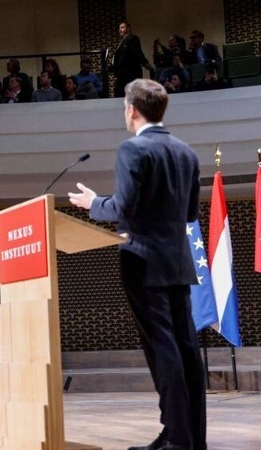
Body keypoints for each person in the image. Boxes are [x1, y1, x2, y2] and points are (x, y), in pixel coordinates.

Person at [67, 79, 205, 450]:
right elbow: (190, 212)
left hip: (143, 262)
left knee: (163, 349)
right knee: (185, 349)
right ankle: (188, 436)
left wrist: (93, 204)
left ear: (131, 109)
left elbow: (123, 209)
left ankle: (177, 439)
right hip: (178, 261)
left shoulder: (133, 150)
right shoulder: (187, 152)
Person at [110, 22, 153, 98]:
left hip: (130, 72)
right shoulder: (122, 41)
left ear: (129, 29)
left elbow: (137, 51)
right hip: (122, 73)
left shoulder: (132, 38)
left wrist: (145, 62)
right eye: (119, 28)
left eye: (122, 27)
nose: (120, 30)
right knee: (119, 93)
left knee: (131, 94)